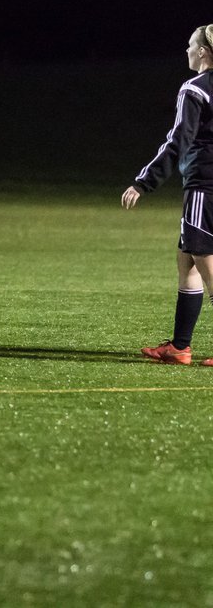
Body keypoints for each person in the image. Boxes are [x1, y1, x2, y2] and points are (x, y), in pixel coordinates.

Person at [123, 24, 213, 366]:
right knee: (187, 261)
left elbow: (179, 142)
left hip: (204, 187)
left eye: (191, 45)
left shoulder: (195, 89)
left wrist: (143, 182)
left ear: (204, 51)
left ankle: (181, 347)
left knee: (206, 266)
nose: (187, 51)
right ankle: (179, 346)